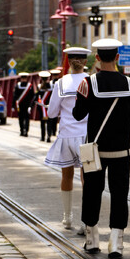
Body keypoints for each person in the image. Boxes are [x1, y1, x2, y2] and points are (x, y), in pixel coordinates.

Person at [73, 39, 130, 259]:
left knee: (92, 192)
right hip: (122, 150)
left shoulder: (87, 83)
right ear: (118, 58)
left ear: (98, 58)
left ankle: (92, 240)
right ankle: (116, 243)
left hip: (96, 150)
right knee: (120, 194)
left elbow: (78, 114)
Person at [45, 48, 90, 230]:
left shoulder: (60, 83)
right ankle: (86, 221)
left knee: (66, 176)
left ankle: (67, 217)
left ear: (68, 61)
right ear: (85, 62)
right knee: (87, 177)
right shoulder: (91, 81)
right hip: (87, 135)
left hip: (66, 135)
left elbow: (52, 112)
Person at [14, 72, 35, 137]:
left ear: (26, 78)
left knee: (26, 118)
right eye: (22, 78)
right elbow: (15, 96)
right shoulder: (18, 85)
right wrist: (13, 105)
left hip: (27, 105)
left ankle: (26, 131)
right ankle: (22, 130)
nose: (23, 79)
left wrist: (31, 106)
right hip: (20, 105)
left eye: (24, 78)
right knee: (21, 118)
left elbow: (32, 96)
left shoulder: (30, 86)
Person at [36, 71, 53, 142]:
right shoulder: (51, 86)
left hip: (41, 107)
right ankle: (49, 136)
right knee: (49, 122)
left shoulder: (39, 86)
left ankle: (43, 137)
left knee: (42, 123)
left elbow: (36, 97)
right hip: (49, 106)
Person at [47, 68, 62, 137]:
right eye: (54, 75)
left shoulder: (60, 83)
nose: (55, 76)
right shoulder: (49, 84)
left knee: (53, 119)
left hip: (57, 102)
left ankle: (53, 132)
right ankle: (51, 133)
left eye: (56, 75)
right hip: (52, 102)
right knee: (52, 118)